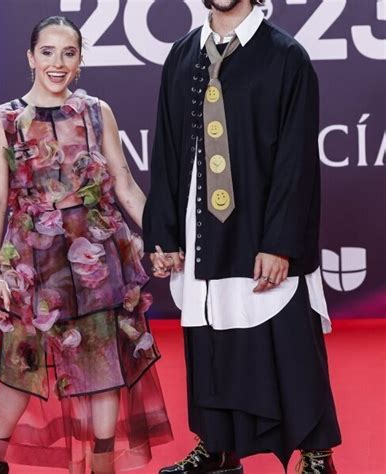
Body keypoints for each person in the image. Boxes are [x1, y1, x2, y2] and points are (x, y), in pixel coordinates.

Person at [143, 0, 341, 473]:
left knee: (287, 338)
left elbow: (296, 161)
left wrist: (281, 244)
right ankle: (217, 447)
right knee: (209, 338)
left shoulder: (285, 56)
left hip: (262, 228)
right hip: (200, 229)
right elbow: (168, 149)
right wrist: (164, 233)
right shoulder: (182, 55)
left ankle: (315, 453)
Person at [0, 16, 172, 474]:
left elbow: (123, 183)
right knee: (20, 369)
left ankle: (101, 468)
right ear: (30, 58)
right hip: (31, 260)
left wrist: (163, 240)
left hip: (98, 260)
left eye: (68, 53)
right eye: (47, 52)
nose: (57, 63)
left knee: (105, 367)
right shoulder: (5, 120)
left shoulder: (95, 112)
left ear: (81, 61)